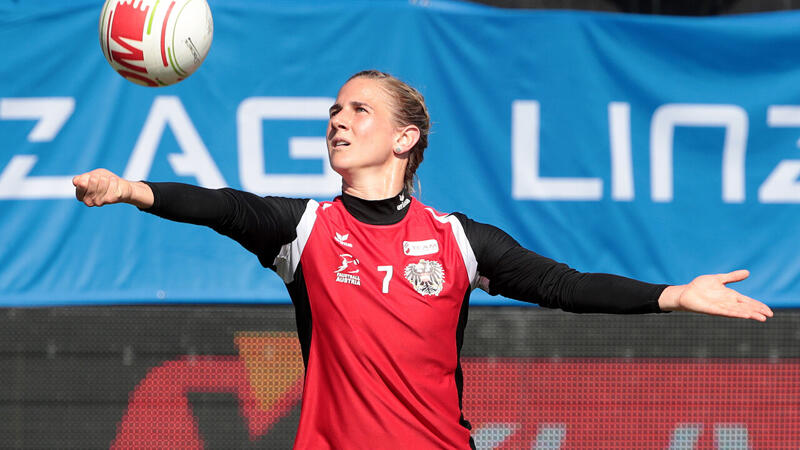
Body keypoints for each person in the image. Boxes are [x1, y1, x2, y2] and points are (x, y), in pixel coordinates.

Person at [73, 70, 773, 449]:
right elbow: (225, 206)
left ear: (406, 138)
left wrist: (672, 294)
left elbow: (561, 284)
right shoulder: (305, 229)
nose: (337, 121)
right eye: (333, 112)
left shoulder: (459, 240)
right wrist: (132, 190)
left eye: (358, 110)